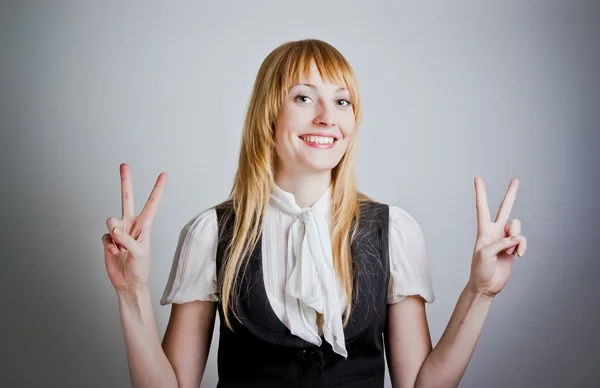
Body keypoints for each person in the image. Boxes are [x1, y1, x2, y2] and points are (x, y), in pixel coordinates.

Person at [102, 39, 528, 388]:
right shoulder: (211, 234)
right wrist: (131, 292)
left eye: (342, 102)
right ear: (269, 114)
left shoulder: (392, 232)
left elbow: (422, 385)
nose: (327, 118)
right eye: (304, 97)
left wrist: (480, 292)